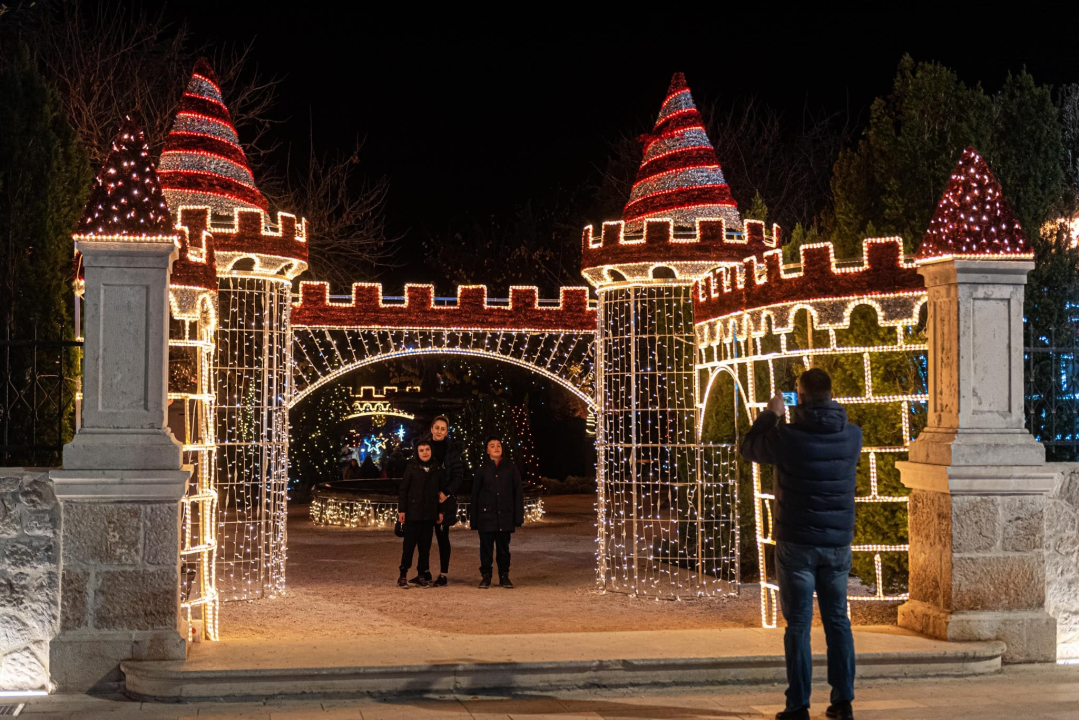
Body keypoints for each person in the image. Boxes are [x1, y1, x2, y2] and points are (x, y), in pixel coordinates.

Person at [740, 368, 861, 720]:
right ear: (831, 394)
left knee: (798, 625)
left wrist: (771, 414)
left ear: (801, 396)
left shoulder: (786, 436)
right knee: (838, 620)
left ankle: (798, 705)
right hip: (837, 542)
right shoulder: (852, 436)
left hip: (797, 541)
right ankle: (843, 702)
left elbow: (749, 449)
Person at [470, 435, 523, 589]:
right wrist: (475, 520)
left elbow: (517, 492)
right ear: (487, 450)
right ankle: (486, 575)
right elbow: (475, 495)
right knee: (485, 548)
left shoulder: (511, 468)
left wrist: (517, 517)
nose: (496, 447)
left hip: (505, 516)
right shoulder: (482, 470)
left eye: (498, 445)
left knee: (503, 548)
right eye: (492, 445)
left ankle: (504, 575)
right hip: (487, 516)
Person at [421, 415, 465, 587]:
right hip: (425, 499)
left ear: (447, 432)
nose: (439, 431)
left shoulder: (453, 451)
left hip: (444, 500)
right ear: (431, 429)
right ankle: (424, 571)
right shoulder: (423, 447)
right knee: (423, 537)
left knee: (442, 537)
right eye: (436, 427)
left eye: (443, 429)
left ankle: (443, 573)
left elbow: (458, 475)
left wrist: (446, 492)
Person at [396, 440, 444, 589]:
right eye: (421, 450)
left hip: (429, 514)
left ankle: (422, 574)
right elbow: (403, 489)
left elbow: (439, 492)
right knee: (408, 546)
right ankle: (403, 574)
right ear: (417, 452)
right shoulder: (411, 467)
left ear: (431, 451)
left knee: (425, 548)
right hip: (413, 513)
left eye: (427, 449)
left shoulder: (436, 468)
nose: (425, 452)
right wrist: (402, 510)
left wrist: (440, 511)